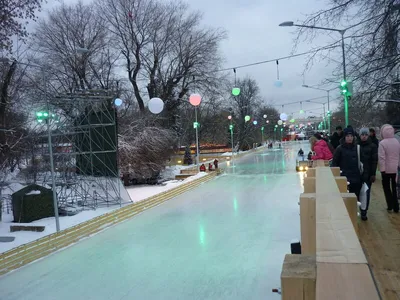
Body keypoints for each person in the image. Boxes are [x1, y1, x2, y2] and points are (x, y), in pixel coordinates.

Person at [332, 127, 362, 199]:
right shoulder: (339, 149)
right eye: (348, 136)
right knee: (345, 199)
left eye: (351, 136)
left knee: (355, 199)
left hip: (356, 178)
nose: (350, 138)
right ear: (344, 137)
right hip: (344, 178)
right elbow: (335, 163)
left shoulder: (357, 148)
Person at [378, 124, 400, 213]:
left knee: (386, 187)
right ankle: (396, 206)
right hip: (396, 169)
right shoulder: (397, 141)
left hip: (386, 170)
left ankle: (389, 205)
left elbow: (382, 157)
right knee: (395, 188)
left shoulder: (382, 143)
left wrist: (382, 169)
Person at [358, 128, 378, 220]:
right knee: (358, 192)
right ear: (360, 135)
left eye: (366, 135)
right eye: (362, 135)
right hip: (357, 173)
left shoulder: (372, 146)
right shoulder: (356, 145)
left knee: (366, 192)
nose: (364, 136)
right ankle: (360, 208)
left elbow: (374, 161)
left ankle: (364, 211)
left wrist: (373, 174)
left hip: (368, 173)